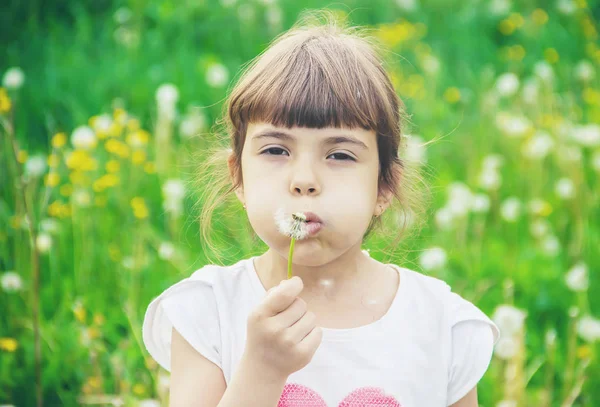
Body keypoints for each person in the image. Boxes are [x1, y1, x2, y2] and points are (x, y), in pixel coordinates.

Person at [142, 10, 500, 407]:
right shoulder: (207, 312)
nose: (304, 179)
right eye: (276, 150)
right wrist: (261, 371)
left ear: (384, 186)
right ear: (238, 176)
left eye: (340, 155)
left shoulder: (442, 326)